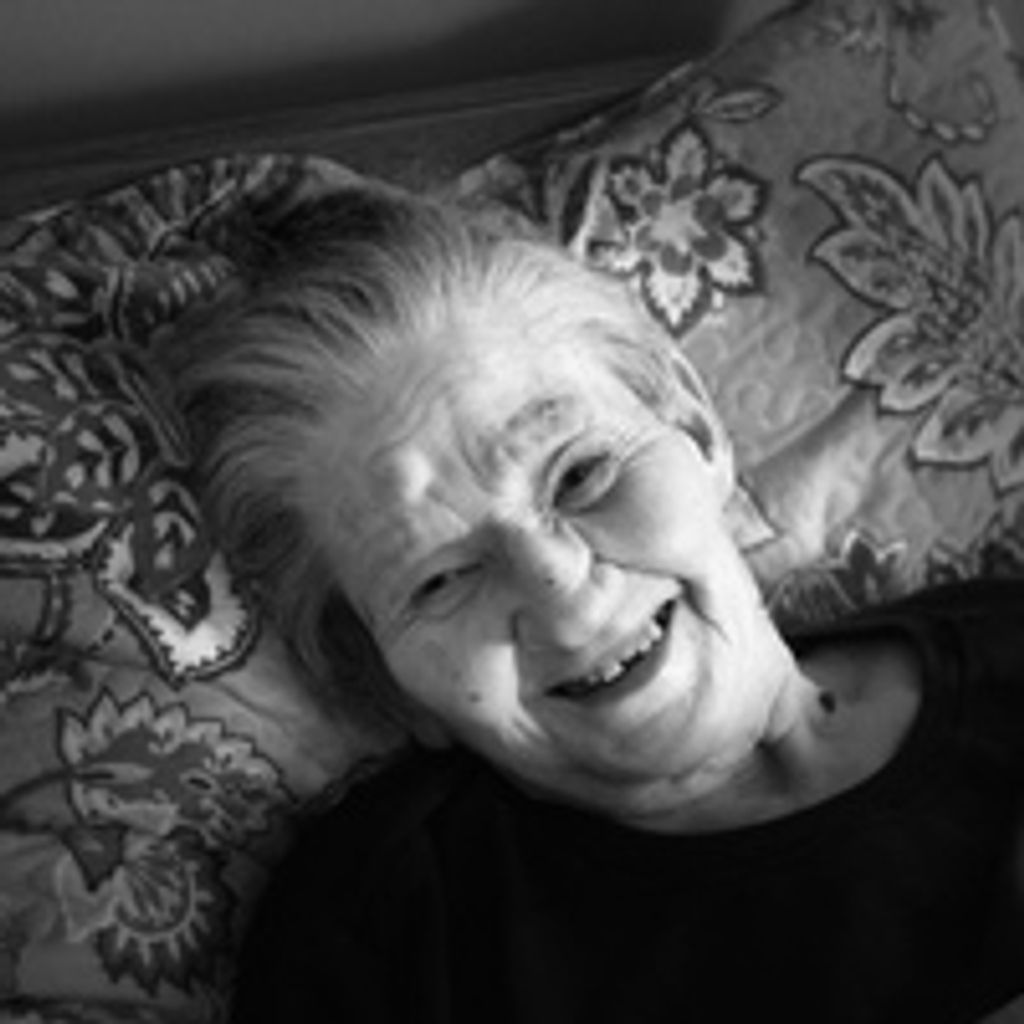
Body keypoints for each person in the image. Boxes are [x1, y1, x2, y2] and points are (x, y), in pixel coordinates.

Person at [163, 186, 1024, 1024]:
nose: (563, 601)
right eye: (438, 581)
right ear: (379, 677)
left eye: (582, 474)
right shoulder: (390, 934)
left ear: (694, 428)